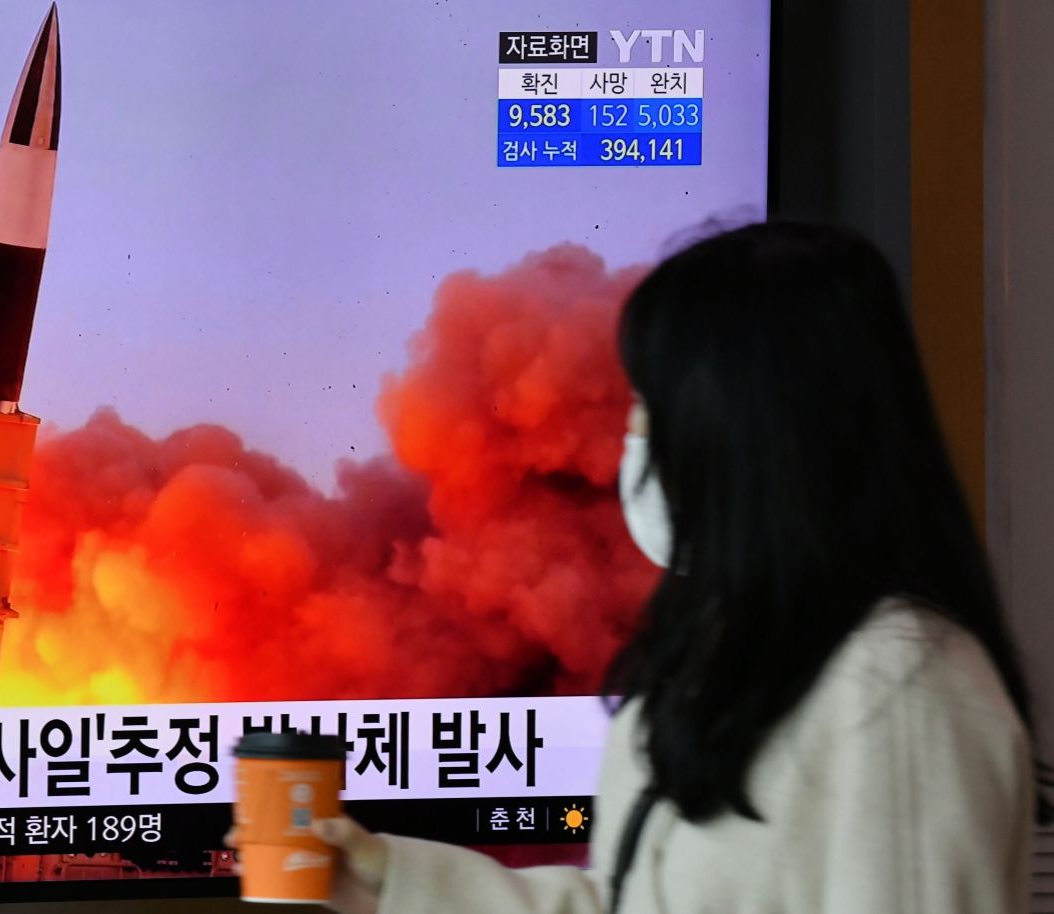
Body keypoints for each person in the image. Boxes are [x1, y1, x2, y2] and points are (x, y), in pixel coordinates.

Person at [234, 222, 1045, 913]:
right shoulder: (733, 664)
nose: (633, 447)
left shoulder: (897, 691)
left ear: (746, 433)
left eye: (652, 411)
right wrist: (388, 879)